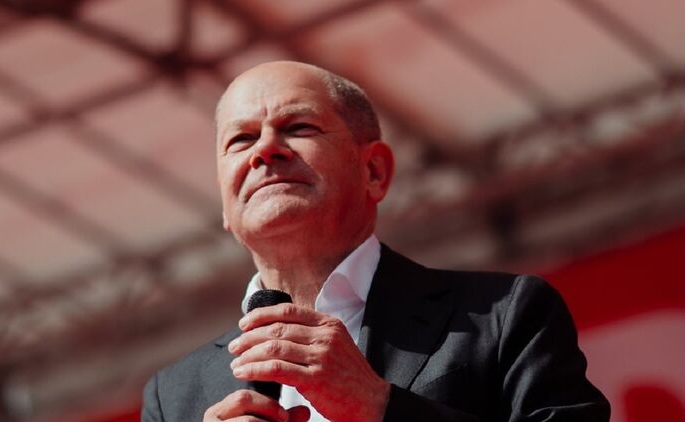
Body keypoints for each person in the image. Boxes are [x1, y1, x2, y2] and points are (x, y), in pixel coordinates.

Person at [141, 61, 610, 422]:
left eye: (298, 127)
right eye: (240, 140)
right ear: (225, 207)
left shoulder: (504, 315)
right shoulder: (173, 396)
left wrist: (381, 406)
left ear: (374, 171)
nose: (265, 149)